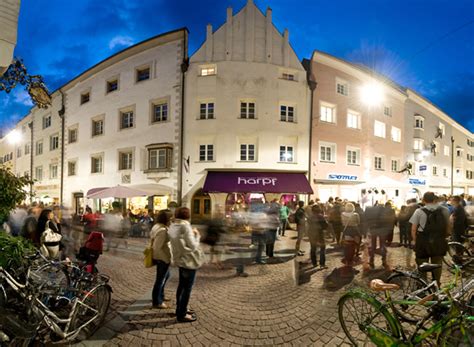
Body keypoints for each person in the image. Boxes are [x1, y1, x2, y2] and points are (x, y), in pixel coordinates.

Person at [168, 207, 202, 323]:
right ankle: (182, 314)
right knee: (187, 288)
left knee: (181, 286)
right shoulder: (185, 226)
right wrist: (197, 235)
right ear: (187, 216)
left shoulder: (173, 225)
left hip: (179, 259)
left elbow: (177, 241)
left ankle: (180, 308)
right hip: (188, 261)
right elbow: (193, 246)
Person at [410, 192, 450, 286]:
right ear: (435, 200)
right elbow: (448, 227)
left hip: (423, 242)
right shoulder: (445, 210)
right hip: (439, 242)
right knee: (437, 265)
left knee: (422, 266)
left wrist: (416, 241)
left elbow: (413, 229)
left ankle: (423, 286)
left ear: (423, 200)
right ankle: (436, 286)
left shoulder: (418, 211)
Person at [150, 210, 172, 309]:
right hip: (162, 258)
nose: (172, 220)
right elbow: (157, 247)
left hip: (161, 258)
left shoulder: (157, 226)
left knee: (165, 277)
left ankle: (161, 296)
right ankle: (157, 301)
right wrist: (166, 260)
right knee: (160, 280)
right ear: (166, 219)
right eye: (170, 218)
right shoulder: (162, 230)